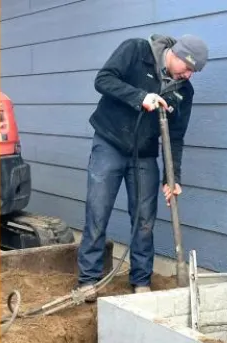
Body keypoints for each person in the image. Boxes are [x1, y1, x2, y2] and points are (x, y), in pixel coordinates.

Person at [75, 34, 209, 298]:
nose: (189, 75)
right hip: (110, 143)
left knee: (144, 219)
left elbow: (176, 136)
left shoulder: (184, 92)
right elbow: (103, 80)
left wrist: (172, 178)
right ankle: (88, 280)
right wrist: (140, 97)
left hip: (145, 155)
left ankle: (141, 281)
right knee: (98, 211)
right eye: (189, 68)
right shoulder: (136, 50)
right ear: (177, 55)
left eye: (195, 72)